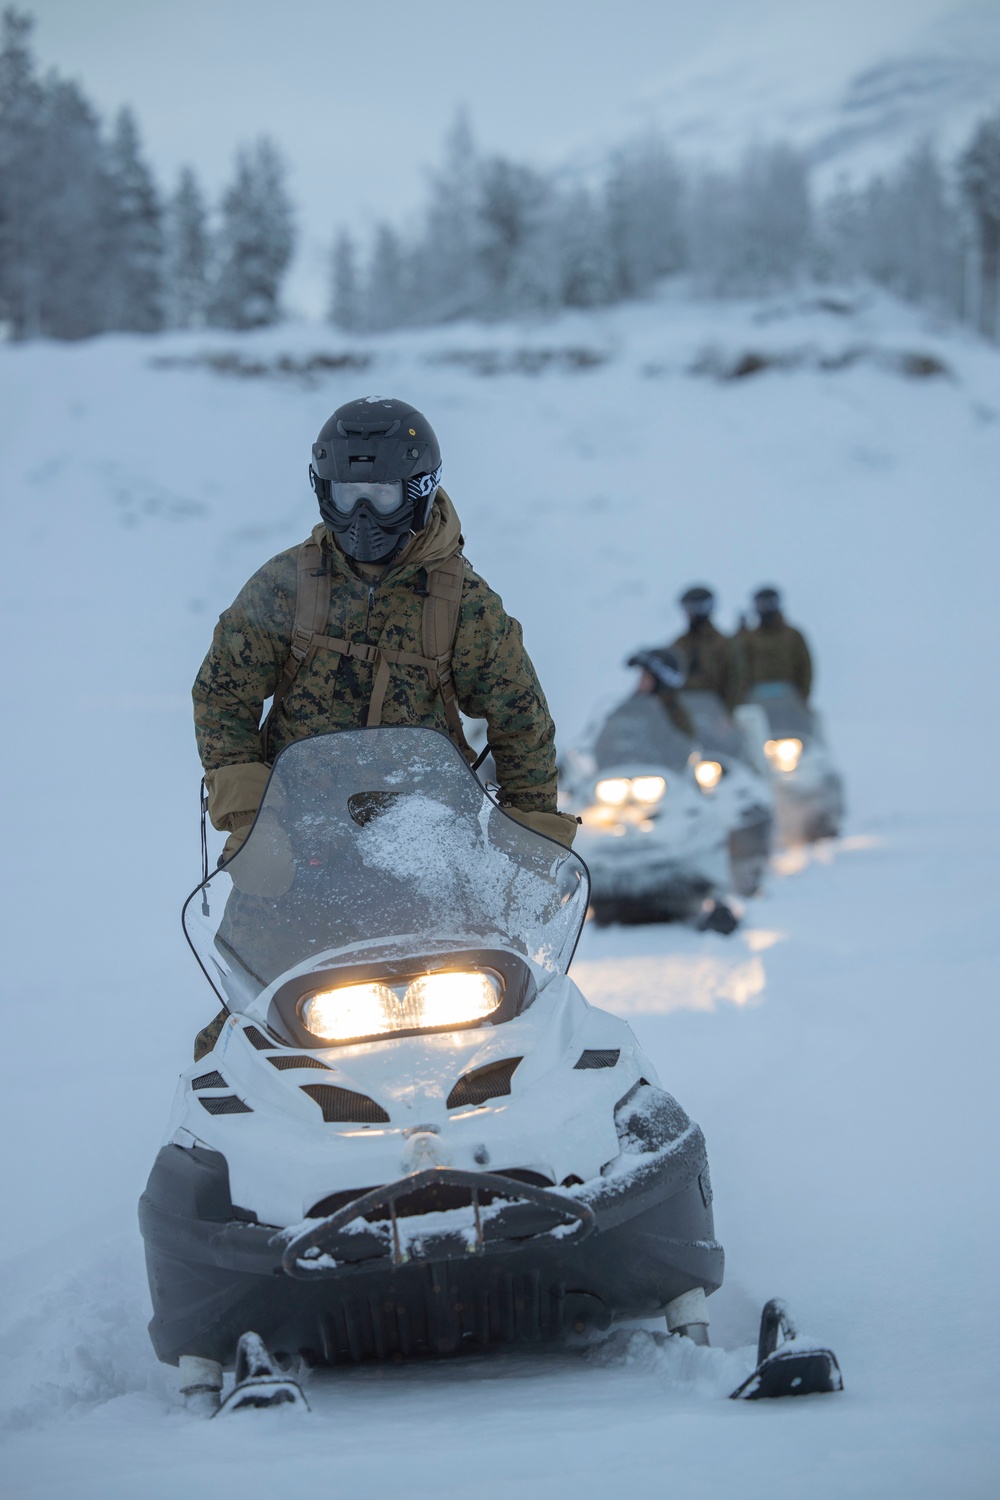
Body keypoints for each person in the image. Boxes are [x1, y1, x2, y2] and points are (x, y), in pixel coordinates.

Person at [191, 396, 576, 1055]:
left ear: (420, 491)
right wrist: (254, 825)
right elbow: (222, 699)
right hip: (297, 834)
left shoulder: (462, 602)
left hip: (426, 831)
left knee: (512, 992)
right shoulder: (286, 585)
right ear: (323, 493)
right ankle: (234, 1123)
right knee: (247, 1013)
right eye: (347, 494)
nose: (361, 515)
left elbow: (522, 722)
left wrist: (531, 846)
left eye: (381, 493)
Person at [733, 586, 813, 703]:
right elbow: (737, 665)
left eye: (767, 603)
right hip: (757, 701)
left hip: (788, 702)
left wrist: (802, 698)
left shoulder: (792, 636)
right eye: (760, 604)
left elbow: (805, 669)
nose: (763, 608)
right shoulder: (748, 638)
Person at [670, 584, 736, 707]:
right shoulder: (679, 644)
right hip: (684, 712)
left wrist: (727, 714)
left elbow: (736, 683)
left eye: (691, 608)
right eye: (686, 608)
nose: (687, 613)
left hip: (717, 712)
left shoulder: (723, 645)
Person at [626, 646, 695, 738]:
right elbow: (607, 737)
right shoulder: (630, 707)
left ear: (660, 683)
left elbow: (688, 742)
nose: (640, 682)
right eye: (641, 676)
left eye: (646, 677)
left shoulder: (674, 713)